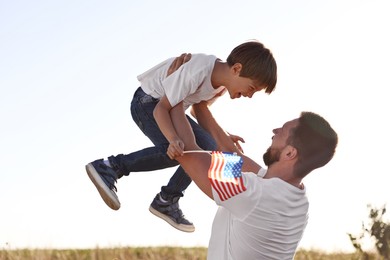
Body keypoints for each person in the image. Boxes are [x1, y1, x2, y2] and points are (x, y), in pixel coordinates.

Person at [85, 40, 277, 233]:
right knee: (181, 150)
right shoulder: (198, 70)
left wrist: (224, 135)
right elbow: (162, 109)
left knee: (208, 147)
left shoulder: (219, 86)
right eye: (252, 88)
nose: (250, 96)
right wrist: (173, 138)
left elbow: (198, 111)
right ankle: (110, 166)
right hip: (148, 103)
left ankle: (167, 199)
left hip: (169, 107)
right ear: (236, 68)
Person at [166, 101, 338, 259]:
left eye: (282, 131)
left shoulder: (255, 194)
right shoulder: (293, 196)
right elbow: (229, 151)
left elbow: (188, 152)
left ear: (289, 153)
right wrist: (201, 100)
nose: (275, 131)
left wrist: (176, 96)